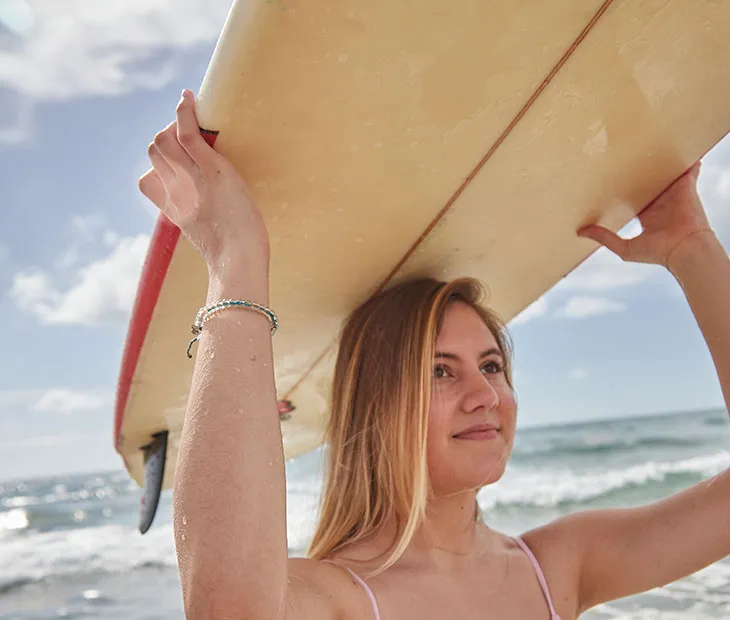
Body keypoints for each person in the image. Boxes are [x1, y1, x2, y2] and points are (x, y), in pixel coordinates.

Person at [139, 88, 730, 620]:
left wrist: (691, 247)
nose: (485, 396)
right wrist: (236, 262)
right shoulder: (337, 597)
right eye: (440, 371)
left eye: (492, 365)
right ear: (376, 408)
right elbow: (229, 609)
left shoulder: (557, 570)